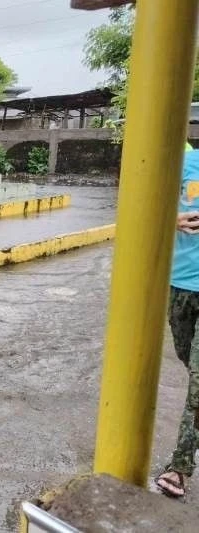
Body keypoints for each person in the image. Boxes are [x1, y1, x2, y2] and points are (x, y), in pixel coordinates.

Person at [156, 148, 199, 498]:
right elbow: (149, 205)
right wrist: (173, 219)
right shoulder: (184, 163)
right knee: (189, 362)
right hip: (180, 284)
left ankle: (180, 466)